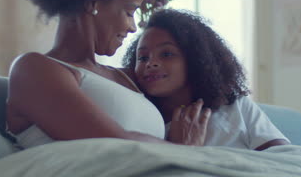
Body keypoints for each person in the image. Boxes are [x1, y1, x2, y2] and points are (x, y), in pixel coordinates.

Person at [6, 0, 210, 149]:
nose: (133, 27)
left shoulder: (128, 77)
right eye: (129, 11)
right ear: (93, 1)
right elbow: (115, 146)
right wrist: (182, 150)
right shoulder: (33, 70)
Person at [122, 9, 290, 150]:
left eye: (166, 54)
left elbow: (287, 160)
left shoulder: (237, 106)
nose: (151, 64)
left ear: (196, 60)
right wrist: (184, 150)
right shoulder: (141, 123)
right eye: (143, 58)